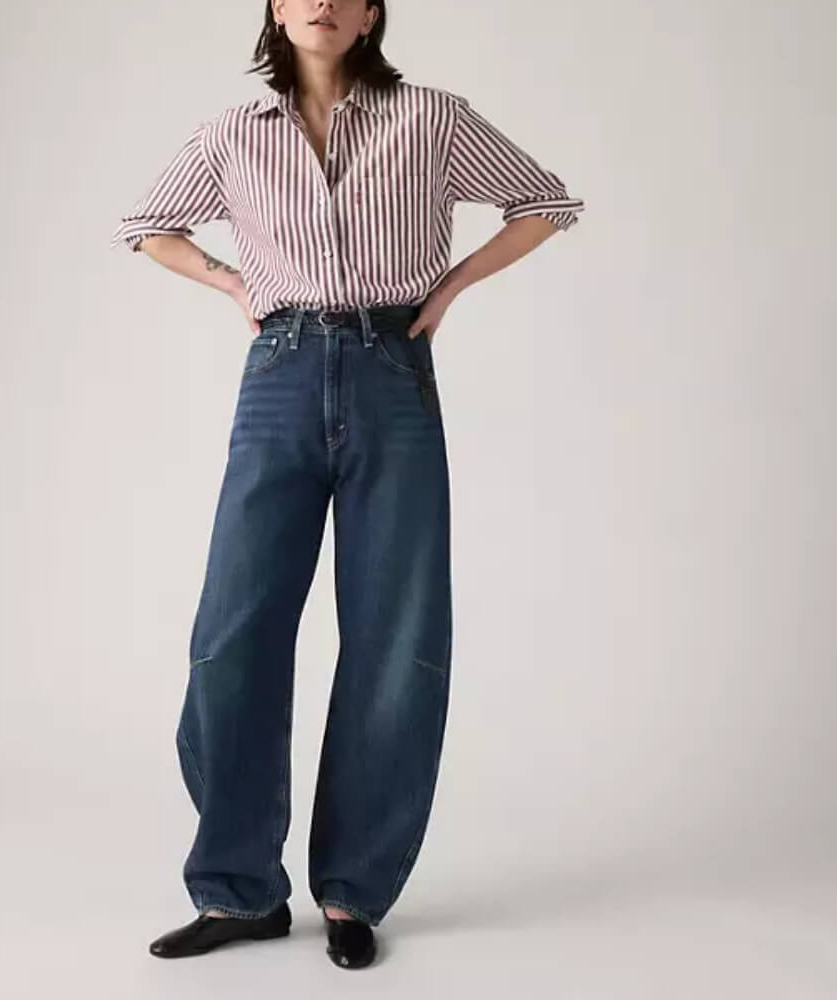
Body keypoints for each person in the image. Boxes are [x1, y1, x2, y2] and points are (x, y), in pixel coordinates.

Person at [109, 0, 584, 970]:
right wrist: (232, 281)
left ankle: (350, 892)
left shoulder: (431, 119)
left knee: (394, 635)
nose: (320, 2)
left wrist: (449, 287)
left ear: (370, 16)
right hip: (279, 373)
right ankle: (239, 889)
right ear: (276, 11)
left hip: (390, 370)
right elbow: (147, 226)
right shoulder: (231, 134)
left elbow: (546, 202)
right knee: (233, 634)